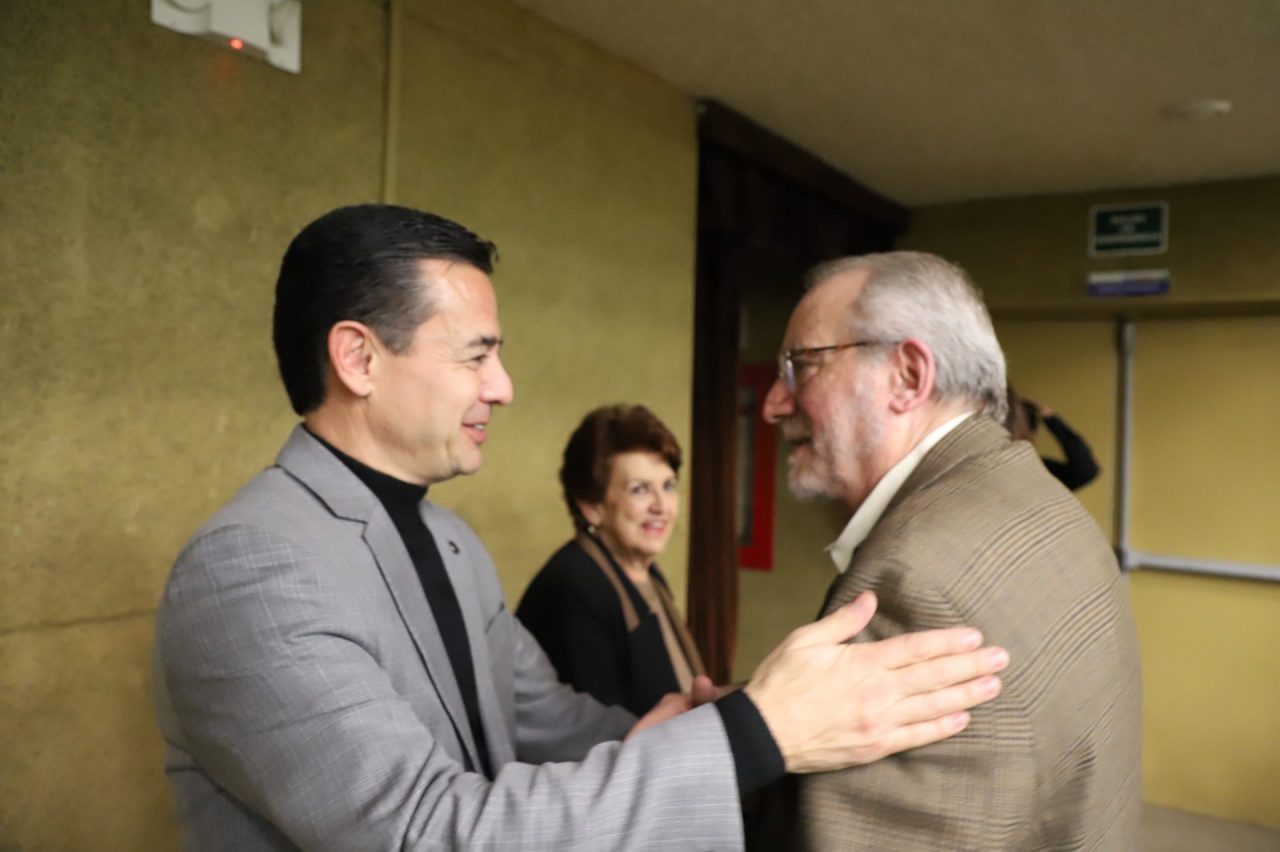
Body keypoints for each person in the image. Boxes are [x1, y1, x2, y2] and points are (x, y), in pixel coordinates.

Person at [151, 205, 1011, 851]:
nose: (503, 388)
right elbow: (424, 832)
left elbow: (554, 723)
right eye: (477, 354)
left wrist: (740, 710)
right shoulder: (253, 568)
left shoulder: (453, 545)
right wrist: (753, 737)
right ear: (358, 358)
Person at [753, 251, 1142, 850]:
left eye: (800, 366)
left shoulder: (912, 583)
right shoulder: (1045, 503)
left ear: (908, 376)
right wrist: (752, 724)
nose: (773, 404)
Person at [518, 404, 703, 716]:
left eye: (668, 486)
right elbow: (599, 730)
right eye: (640, 489)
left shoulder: (647, 574)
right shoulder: (574, 586)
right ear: (592, 506)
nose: (662, 506)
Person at [1005, 386, 1101, 490]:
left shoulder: (1040, 471)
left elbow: (1086, 470)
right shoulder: (1039, 471)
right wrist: (1050, 418)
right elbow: (1086, 470)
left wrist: (1052, 420)